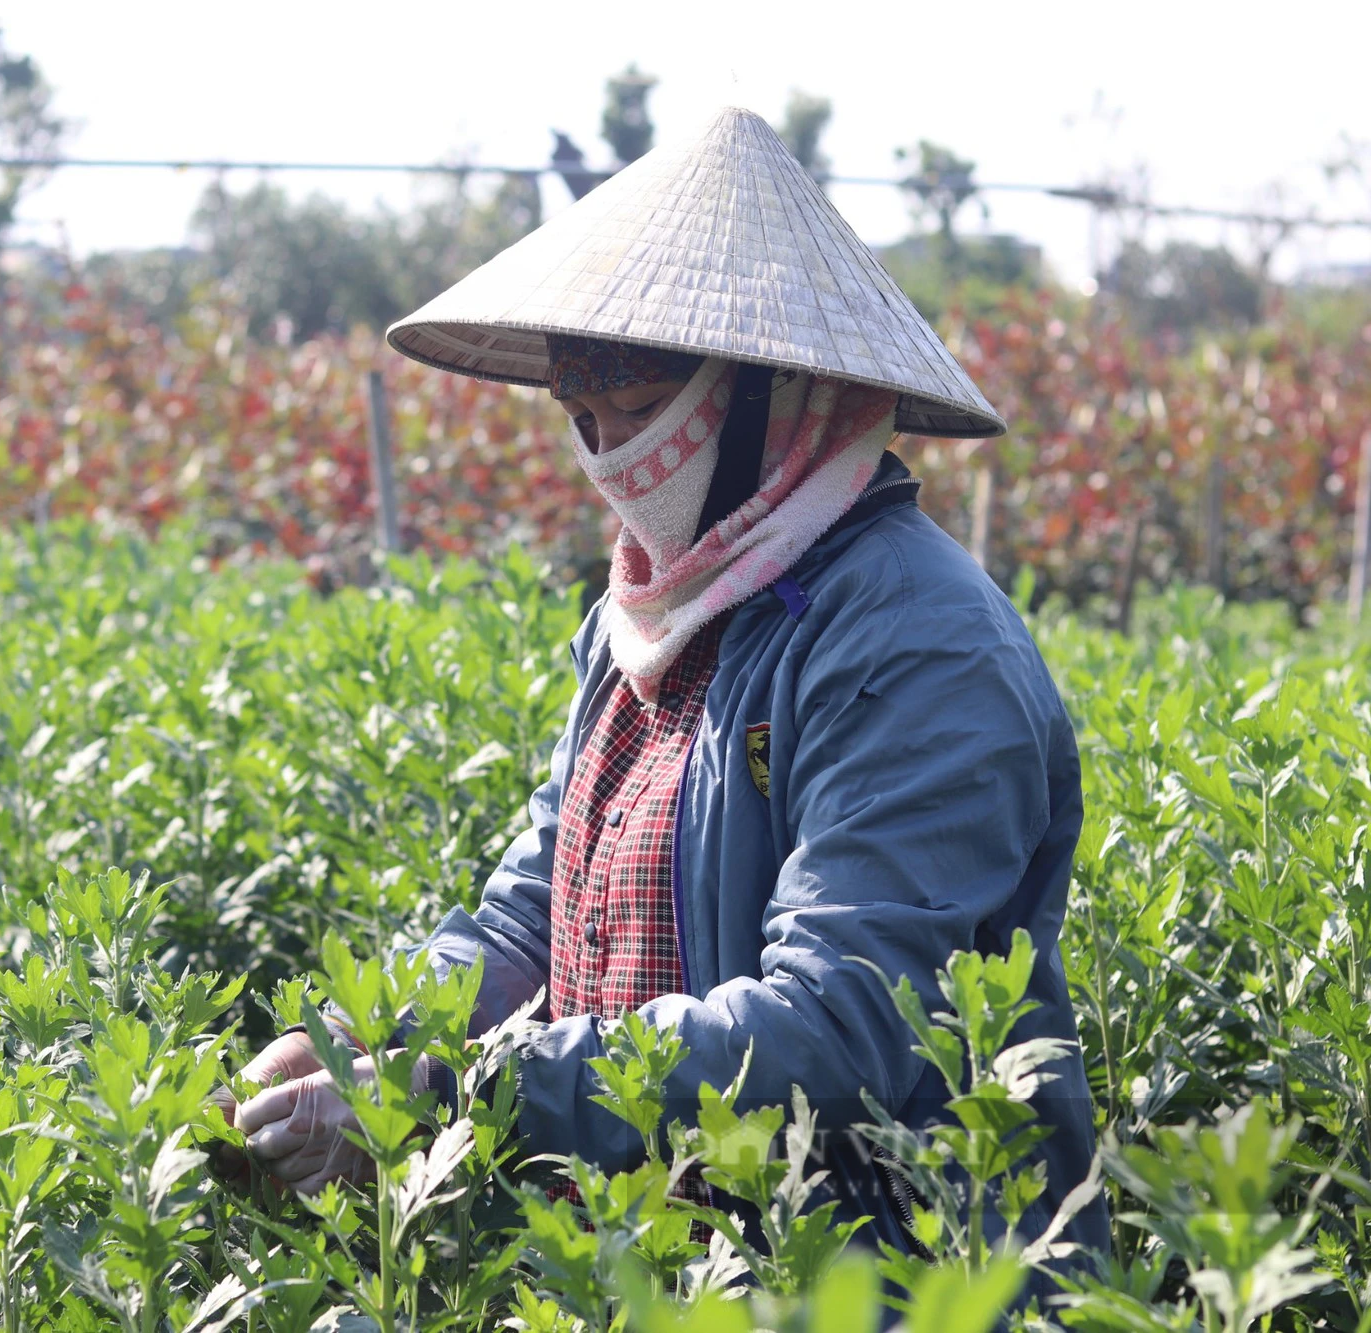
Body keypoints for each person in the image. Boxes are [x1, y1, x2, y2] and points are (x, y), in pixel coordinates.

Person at [226, 106, 1109, 1267]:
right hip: (660, 1251)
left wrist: (454, 1090)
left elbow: (837, 1026)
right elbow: (528, 914)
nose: (602, 448)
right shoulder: (646, 617)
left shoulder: (915, 640)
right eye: (577, 410)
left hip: (880, 1268)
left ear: (768, 388)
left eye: (636, 404)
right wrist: (354, 1038)